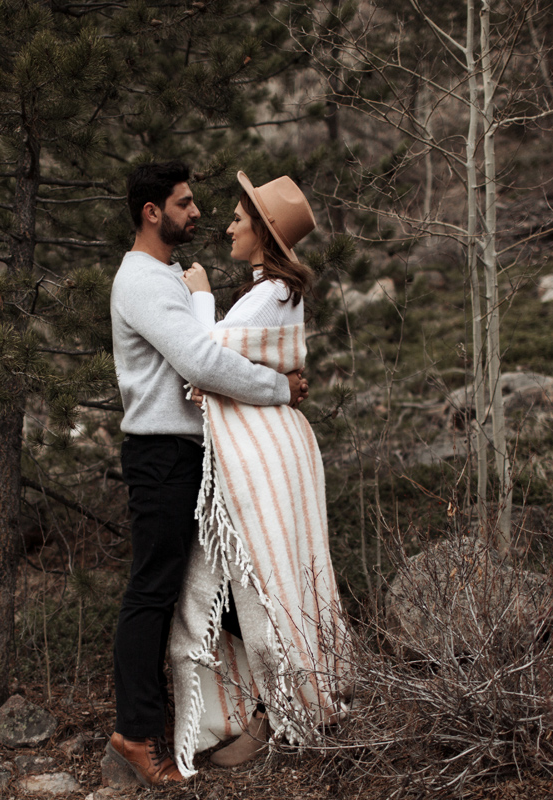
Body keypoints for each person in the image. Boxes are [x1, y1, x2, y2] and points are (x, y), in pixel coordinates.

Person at [107, 161, 309, 787]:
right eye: (185, 203)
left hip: (187, 454)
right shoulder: (141, 280)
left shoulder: (165, 275)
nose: (197, 213)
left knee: (217, 590)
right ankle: (135, 737)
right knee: (154, 592)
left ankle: (257, 707)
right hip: (161, 457)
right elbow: (199, 360)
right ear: (153, 212)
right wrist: (280, 388)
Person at [168, 172, 353, 777]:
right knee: (251, 577)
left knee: (265, 578)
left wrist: (197, 295)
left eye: (239, 219)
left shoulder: (275, 291)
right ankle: (257, 709)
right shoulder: (267, 291)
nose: (227, 226)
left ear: (263, 233)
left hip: (265, 451)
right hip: (259, 445)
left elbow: (206, 357)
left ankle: (283, 711)